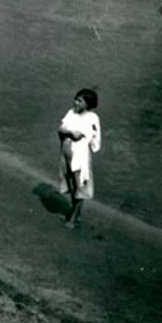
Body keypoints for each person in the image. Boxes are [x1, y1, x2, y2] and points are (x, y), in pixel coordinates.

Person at [58, 88, 101, 229]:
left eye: (80, 101)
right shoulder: (71, 113)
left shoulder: (92, 118)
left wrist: (68, 132)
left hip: (80, 155)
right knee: (70, 182)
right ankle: (75, 212)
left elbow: (88, 137)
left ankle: (74, 217)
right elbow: (61, 130)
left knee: (80, 185)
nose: (75, 102)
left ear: (88, 104)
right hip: (66, 151)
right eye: (76, 99)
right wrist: (69, 132)